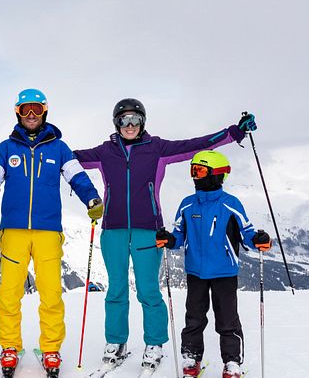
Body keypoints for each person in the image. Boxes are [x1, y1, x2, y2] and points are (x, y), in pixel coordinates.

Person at [73, 98, 257, 371]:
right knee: (116, 290)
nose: (130, 125)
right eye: (124, 120)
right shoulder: (104, 152)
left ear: (143, 122)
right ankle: (116, 342)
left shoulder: (156, 148)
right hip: (113, 229)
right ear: (116, 123)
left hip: (148, 228)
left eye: (135, 119)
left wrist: (234, 132)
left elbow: (196, 145)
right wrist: (43, 145)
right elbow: (67, 159)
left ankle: (155, 344)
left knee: (148, 290)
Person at [0, 88, 103, 376]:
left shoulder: (59, 148)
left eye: (37, 110)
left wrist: (91, 198)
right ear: (17, 113)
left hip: (48, 231)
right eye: (25, 110)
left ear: (45, 112)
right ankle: (9, 346)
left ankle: (51, 348)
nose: (31, 115)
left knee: (52, 293)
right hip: (14, 230)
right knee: (9, 292)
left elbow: (77, 176)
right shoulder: (6, 148)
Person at [158, 150, 272, 378]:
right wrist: (169, 239)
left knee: (227, 319)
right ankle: (191, 356)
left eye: (199, 170)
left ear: (216, 174)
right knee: (194, 317)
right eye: (192, 170)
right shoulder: (188, 205)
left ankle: (232, 361)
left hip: (224, 271)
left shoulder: (230, 204)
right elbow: (179, 236)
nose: (194, 176)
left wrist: (258, 240)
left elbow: (247, 233)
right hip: (195, 272)